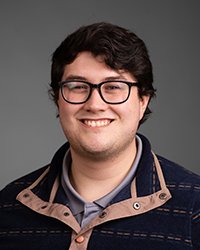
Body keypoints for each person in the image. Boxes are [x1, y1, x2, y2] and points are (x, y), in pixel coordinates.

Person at [0, 22, 200, 250]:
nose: (95, 104)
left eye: (114, 87)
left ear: (143, 101)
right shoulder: (8, 206)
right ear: (58, 99)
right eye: (77, 86)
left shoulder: (194, 207)